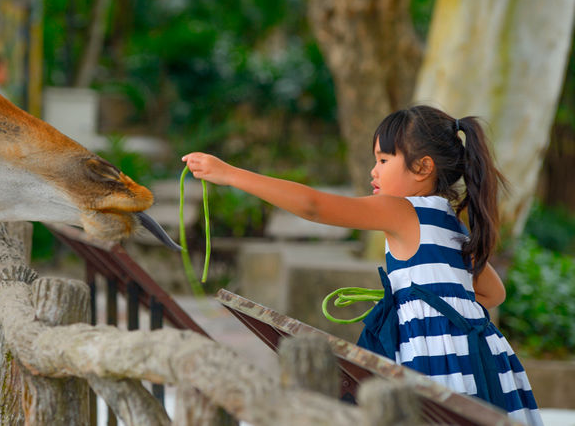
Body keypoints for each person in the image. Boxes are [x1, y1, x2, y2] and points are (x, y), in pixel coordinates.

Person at [182, 105, 542, 425]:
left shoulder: (401, 209)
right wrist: (427, 296)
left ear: (423, 167)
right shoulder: (451, 224)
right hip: (479, 359)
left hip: (435, 362)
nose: (374, 171)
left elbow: (314, 206)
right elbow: (493, 294)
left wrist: (229, 174)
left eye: (384, 160)